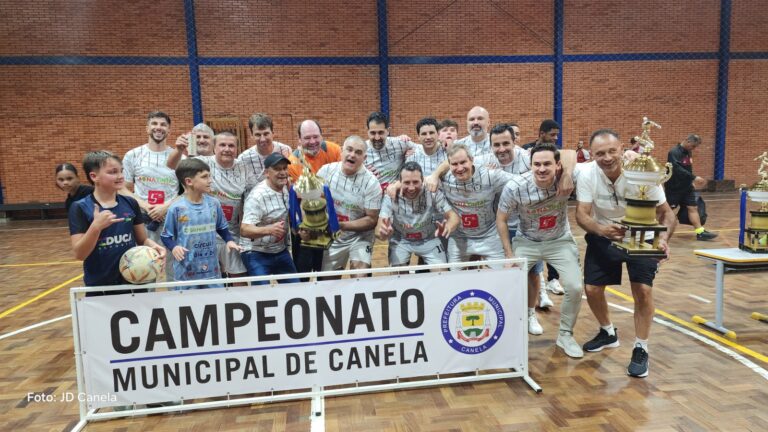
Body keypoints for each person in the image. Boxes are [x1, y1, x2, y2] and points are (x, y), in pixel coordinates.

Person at [575, 129, 676, 378]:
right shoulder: (587, 172)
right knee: (592, 289)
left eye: (612, 151)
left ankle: (641, 348)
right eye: (600, 153)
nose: (607, 157)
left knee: (642, 290)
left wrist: (663, 239)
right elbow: (582, 214)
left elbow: (667, 214)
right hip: (604, 234)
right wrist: (601, 230)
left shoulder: (643, 171)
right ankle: (608, 332)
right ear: (592, 155)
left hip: (642, 235)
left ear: (622, 148)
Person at [496, 143, 584, 358]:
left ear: (557, 165)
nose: (542, 169)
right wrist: (509, 254)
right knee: (509, 284)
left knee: (574, 287)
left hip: (559, 240)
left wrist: (568, 174)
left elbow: (571, 151)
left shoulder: (567, 174)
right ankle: (511, 332)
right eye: (537, 164)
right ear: (530, 165)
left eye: (547, 164)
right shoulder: (516, 186)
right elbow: (501, 219)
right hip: (527, 241)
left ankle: (565, 335)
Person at [69, 151, 165, 292]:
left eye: (121, 171)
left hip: (134, 282)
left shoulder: (131, 203)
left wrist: (154, 247)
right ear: (94, 176)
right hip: (100, 284)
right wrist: (95, 227)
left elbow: (142, 240)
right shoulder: (80, 207)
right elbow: (80, 254)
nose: (120, 176)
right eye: (113, 172)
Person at [170, 132, 249, 281]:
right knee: (206, 277)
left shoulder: (243, 167)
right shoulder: (202, 163)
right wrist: (179, 150)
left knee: (239, 277)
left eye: (231, 145)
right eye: (222, 145)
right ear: (214, 148)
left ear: (237, 149)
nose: (227, 149)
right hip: (202, 235)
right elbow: (172, 166)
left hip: (230, 233)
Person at [161, 159, 242, 289]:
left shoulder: (214, 203)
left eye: (209, 176)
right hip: (186, 273)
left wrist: (229, 240)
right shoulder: (176, 208)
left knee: (215, 307)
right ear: (189, 181)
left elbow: (222, 227)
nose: (210, 180)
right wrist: (174, 247)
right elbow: (165, 236)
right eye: (204, 177)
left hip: (212, 272)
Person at [120, 111, 179, 279]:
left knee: (174, 270)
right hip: (144, 223)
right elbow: (122, 189)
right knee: (144, 272)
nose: (158, 128)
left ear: (169, 130)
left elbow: (187, 191)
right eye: (154, 124)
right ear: (147, 128)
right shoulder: (133, 155)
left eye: (163, 125)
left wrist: (165, 207)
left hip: (171, 221)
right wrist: (145, 206)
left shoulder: (177, 157)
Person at [314, 135, 382, 277]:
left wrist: (341, 225)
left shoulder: (372, 183)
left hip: (360, 237)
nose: (352, 155)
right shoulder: (325, 172)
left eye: (358, 152)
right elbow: (314, 202)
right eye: (349, 150)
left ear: (365, 157)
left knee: (360, 276)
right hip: (333, 237)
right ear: (341, 152)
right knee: (328, 282)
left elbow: (371, 220)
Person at [376, 161, 459, 269]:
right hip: (401, 240)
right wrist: (383, 233)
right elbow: (378, 229)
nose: (411, 188)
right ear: (400, 182)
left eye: (415, 182)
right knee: (398, 276)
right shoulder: (391, 196)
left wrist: (448, 227)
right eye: (407, 182)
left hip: (429, 239)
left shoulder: (432, 192)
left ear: (422, 181)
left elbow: (454, 217)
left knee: (441, 273)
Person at [288, 119, 342, 276]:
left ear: (322, 136)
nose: (312, 142)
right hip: (306, 224)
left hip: (331, 222)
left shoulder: (334, 151)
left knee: (328, 273)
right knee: (303, 273)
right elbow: (301, 198)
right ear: (299, 140)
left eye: (316, 137)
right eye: (307, 138)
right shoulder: (293, 162)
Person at [240, 153, 300, 284]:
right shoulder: (257, 196)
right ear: (267, 172)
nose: (283, 172)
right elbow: (244, 230)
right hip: (256, 253)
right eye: (277, 169)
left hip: (280, 250)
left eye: (285, 168)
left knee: (296, 290)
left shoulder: (285, 187)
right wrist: (269, 230)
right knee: (264, 295)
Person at [521, 119, 565, 296]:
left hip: (552, 204)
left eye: (557, 134)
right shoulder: (526, 150)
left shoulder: (556, 152)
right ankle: (536, 291)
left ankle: (552, 280)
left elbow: (568, 155)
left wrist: (567, 174)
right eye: (552, 134)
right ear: (541, 134)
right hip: (530, 207)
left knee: (553, 242)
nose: (555, 138)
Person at [665, 134, 717, 240]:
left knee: (692, 207)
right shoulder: (673, 152)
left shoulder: (688, 152)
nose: (693, 148)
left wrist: (690, 180)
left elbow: (688, 168)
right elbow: (677, 169)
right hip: (674, 187)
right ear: (687, 141)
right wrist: (694, 177)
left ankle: (700, 232)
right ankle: (654, 231)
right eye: (693, 146)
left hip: (687, 187)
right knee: (668, 210)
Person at [238, 113, 293, 195]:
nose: (262, 139)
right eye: (258, 135)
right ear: (251, 136)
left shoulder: (285, 150)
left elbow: (289, 178)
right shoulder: (243, 158)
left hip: (281, 201)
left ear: (273, 133)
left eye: (266, 133)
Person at [365, 111, 417, 191]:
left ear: (388, 131)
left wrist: (413, 153)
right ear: (367, 132)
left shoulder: (399, 143)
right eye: (373, 133)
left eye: (381, 132)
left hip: (394, 195)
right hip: (371, 195)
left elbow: (423, 149)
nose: (377, 137)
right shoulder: (360, 150)